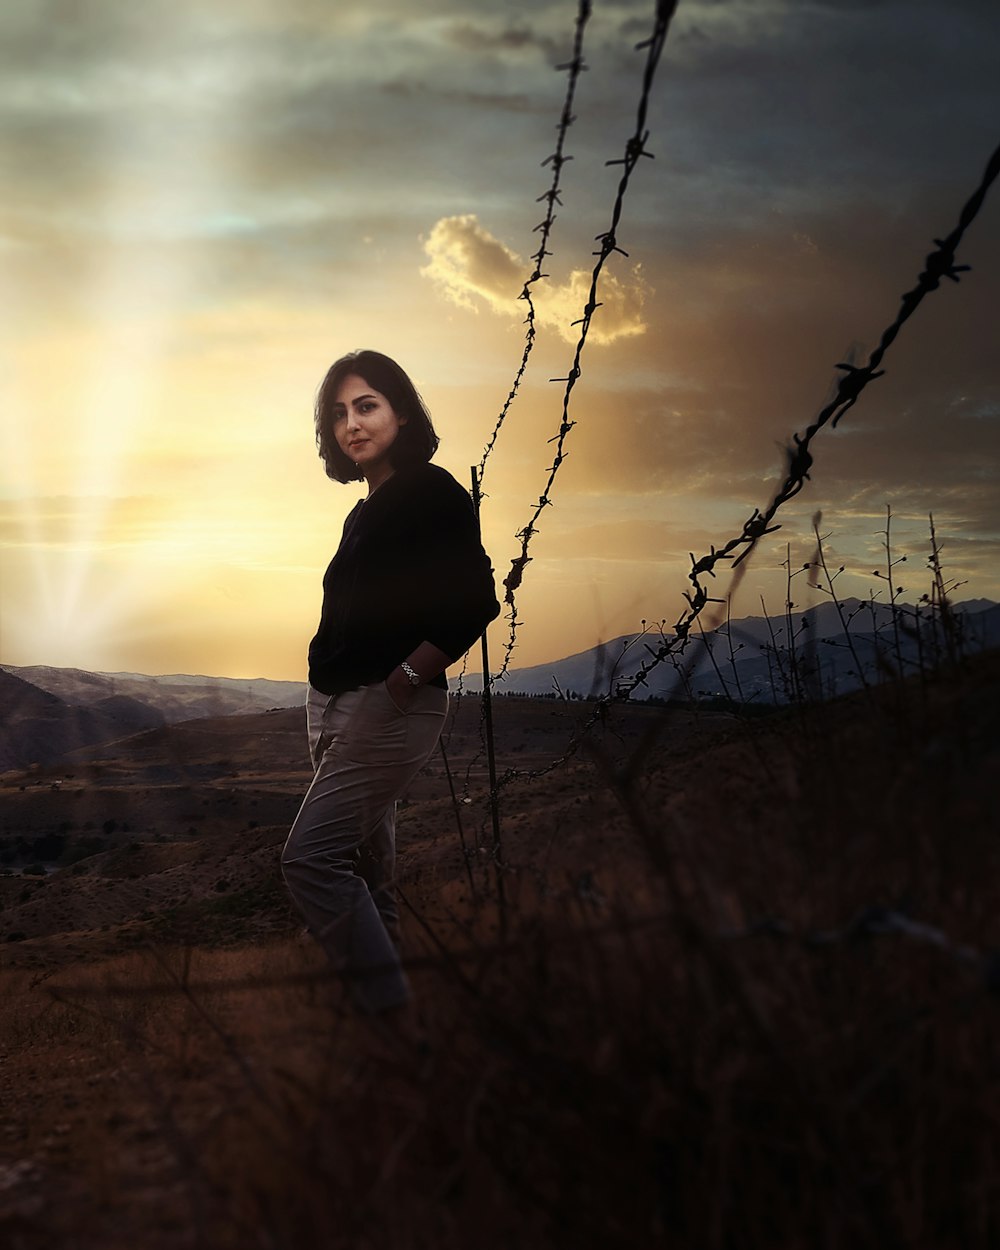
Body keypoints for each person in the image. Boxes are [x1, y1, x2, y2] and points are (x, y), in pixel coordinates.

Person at [281, 349, 500, 1019]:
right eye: (339, 413)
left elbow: (474, 601)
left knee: (310, 861)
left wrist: (406, 678)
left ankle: (394, 1025)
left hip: (386, 707)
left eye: (367, 405)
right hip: (340, 707)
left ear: (401, 412)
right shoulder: (366, 509)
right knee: (370, 876)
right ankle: (394, 1053)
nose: (352, 423)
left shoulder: (430, 491)